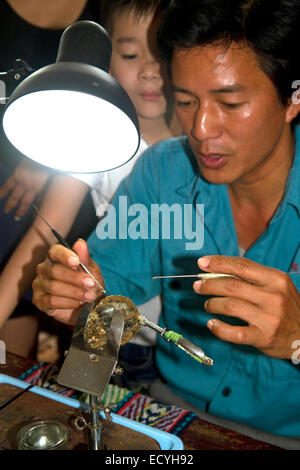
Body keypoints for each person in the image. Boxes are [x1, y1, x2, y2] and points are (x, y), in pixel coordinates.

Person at [31, 0, 300, 447]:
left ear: (293, 98)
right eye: (186, 101)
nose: (200, 127)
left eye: (230, 103)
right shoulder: (163, 172)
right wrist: (77, 294)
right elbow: (106, 290)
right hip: (171, 410)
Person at [0, 0, 180, 362]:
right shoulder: (97, 133)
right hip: (117, 340)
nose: (149, 71)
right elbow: (42, 234)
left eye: (161, 54)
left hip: (191, 344)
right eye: (130, 55)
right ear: (104, 61)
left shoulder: (204, 145)